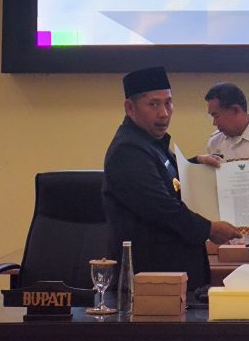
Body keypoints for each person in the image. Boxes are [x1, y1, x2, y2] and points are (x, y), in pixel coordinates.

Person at [102, 66, 241, 291]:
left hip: (170, 277)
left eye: (168, 103)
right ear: (130, 108)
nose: (164, 113)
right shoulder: (128, 150)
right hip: (151, 283)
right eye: (153, 104)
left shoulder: (151, 143)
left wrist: (196, 162)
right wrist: (209, 229)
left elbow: (167, 177)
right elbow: (162, 208)